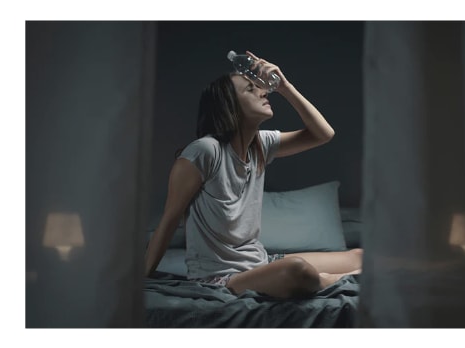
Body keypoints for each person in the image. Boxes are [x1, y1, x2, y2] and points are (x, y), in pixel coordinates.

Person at [143, 52, 357, 299]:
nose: (264, 92)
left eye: (261, 88)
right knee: (297, 270)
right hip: (222, 277)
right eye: (250, 89)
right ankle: (329, 280)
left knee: (360, 256)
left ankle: (331, 277)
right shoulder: (204, 151)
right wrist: (141, 278)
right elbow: (169, 221)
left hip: (261, 263)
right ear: (230, 105)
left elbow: (324, 134)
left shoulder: (261, 144)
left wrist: (285, 87)